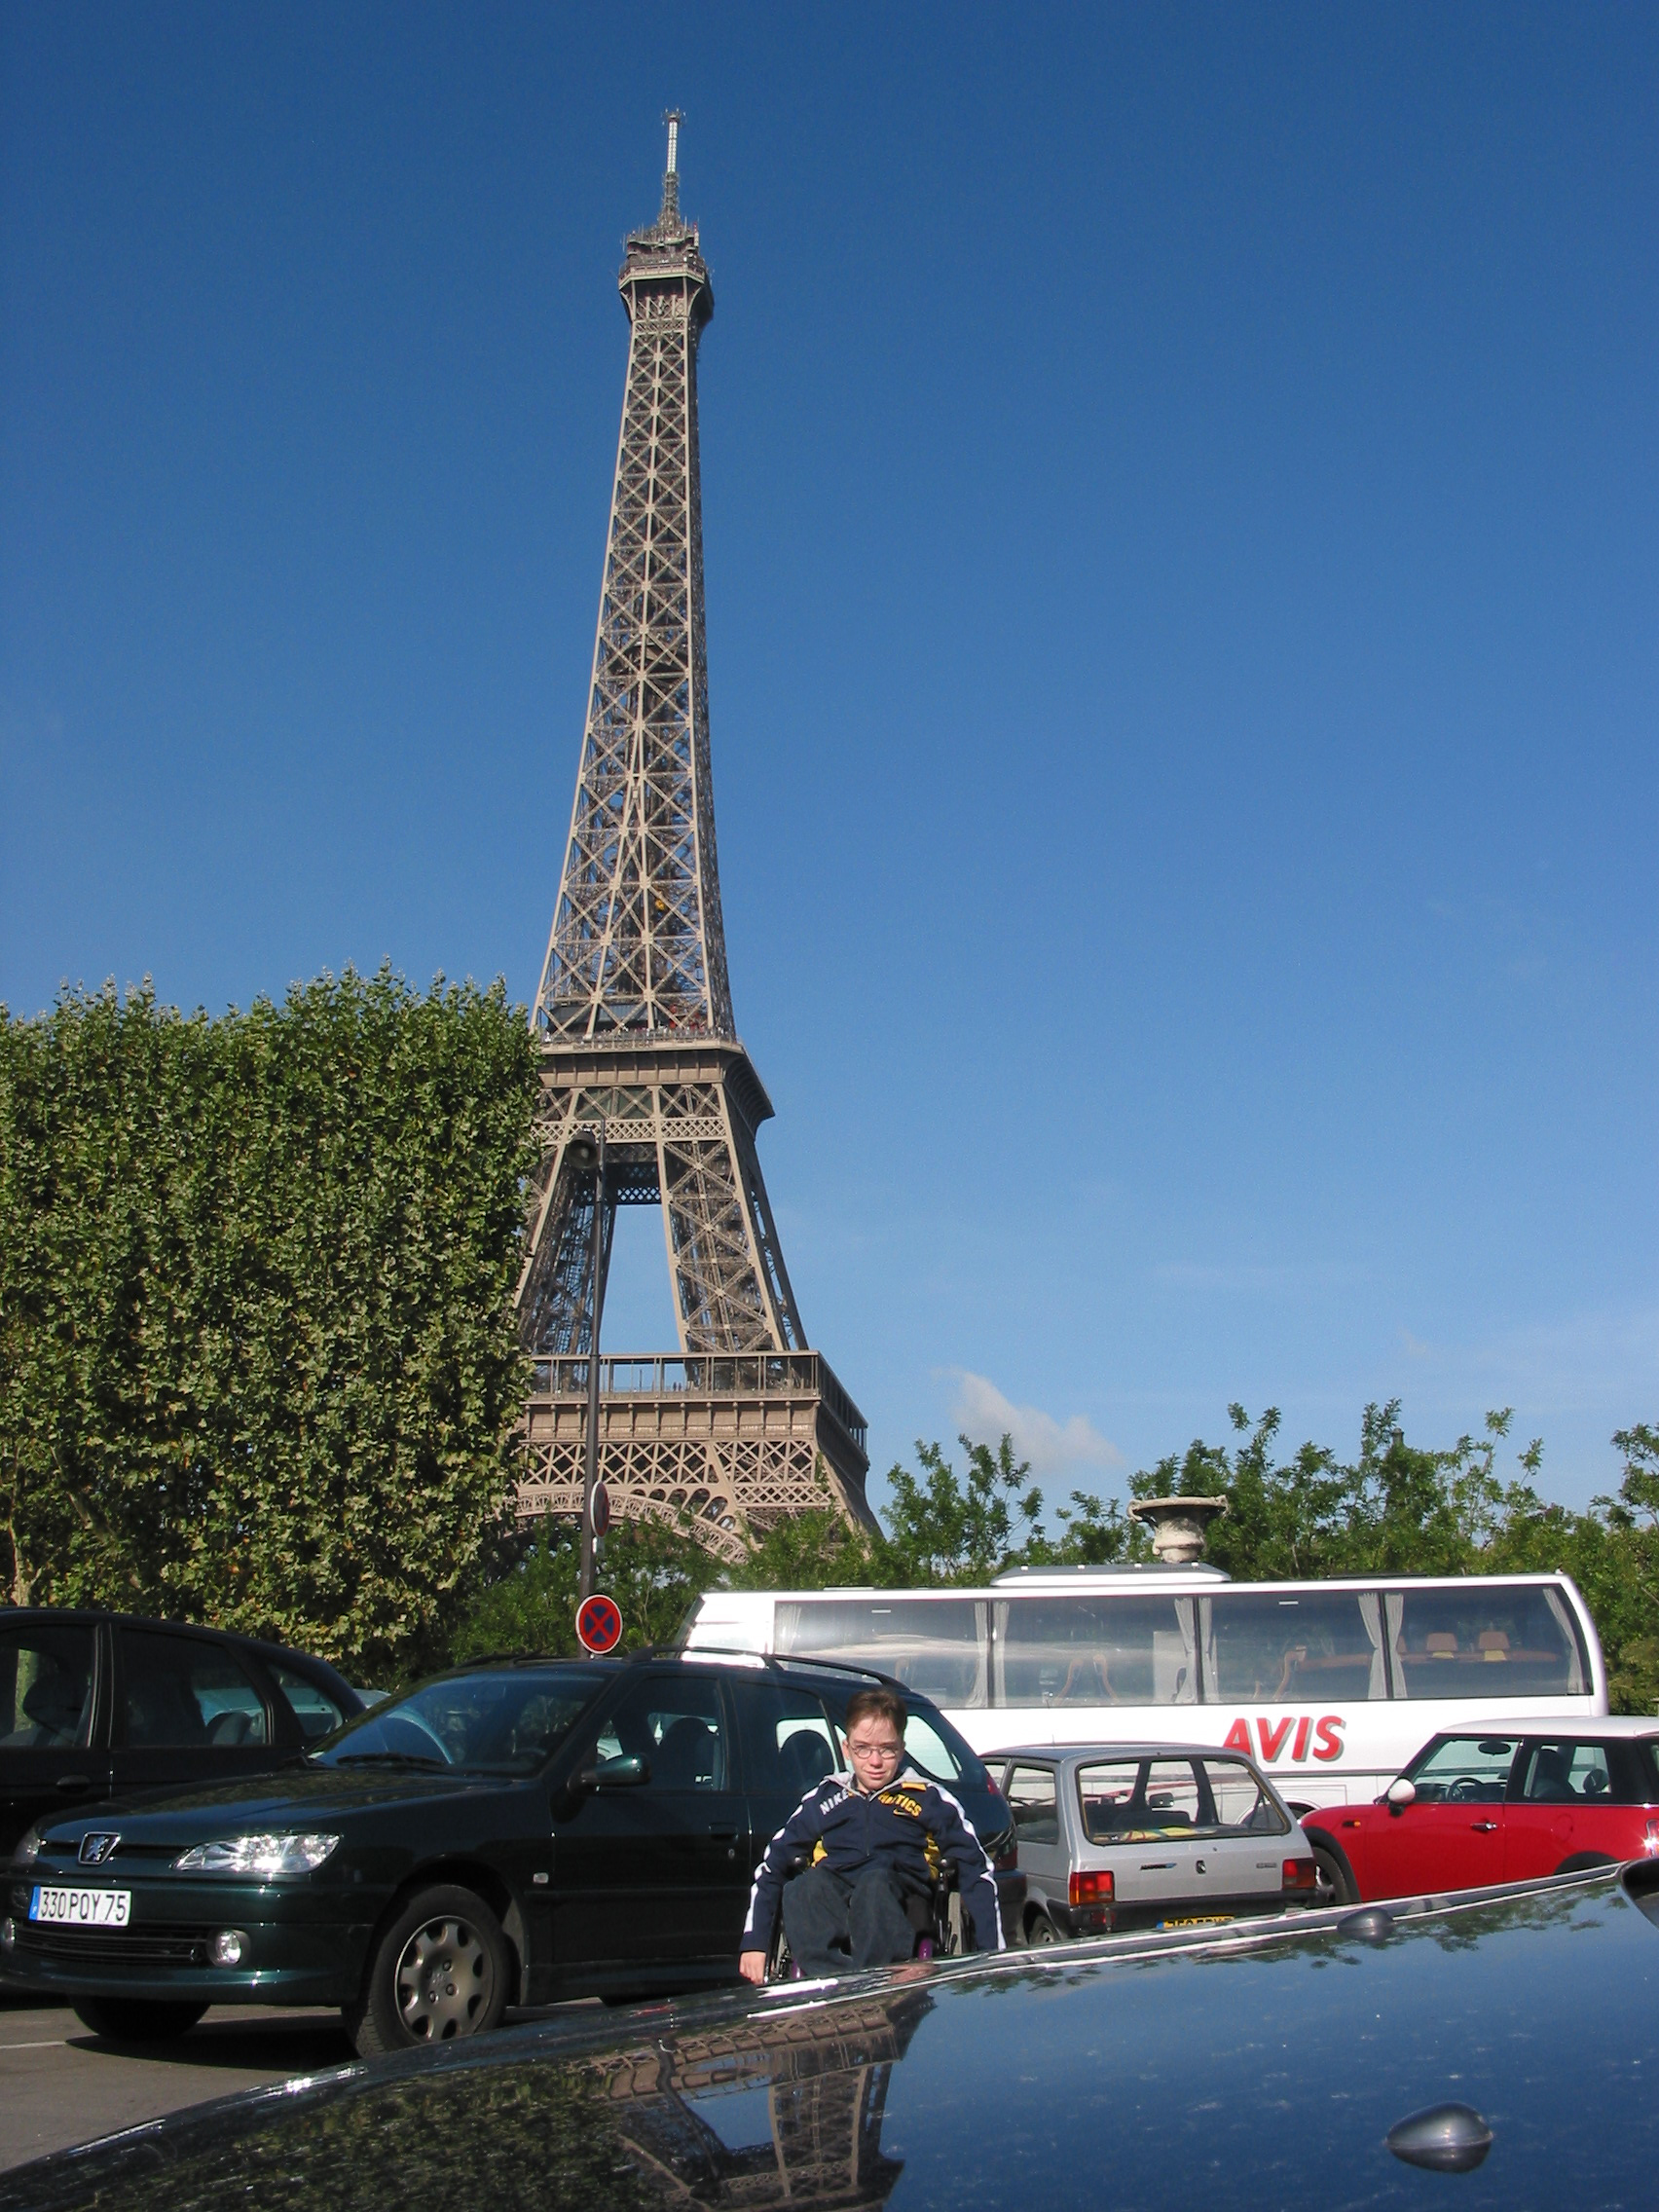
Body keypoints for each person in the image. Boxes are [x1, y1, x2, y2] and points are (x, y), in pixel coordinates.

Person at [738, 1685, 1004, 1982]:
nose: (875, 1761)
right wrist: (755, 1942)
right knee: (803, 1888)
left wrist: (990, 1955)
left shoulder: (928, 1798)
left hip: (900, 1898)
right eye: (863, 1748)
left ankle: (869, 1984)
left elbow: (976, 1871)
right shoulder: (825, 1798)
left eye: (886, 1750)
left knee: (874, 1884)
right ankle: (836, 1981)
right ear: (846, 1749)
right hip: (836, 1900)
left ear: (901, 1749)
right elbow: (773, 1866)